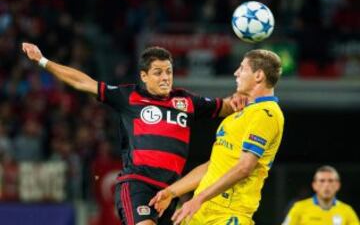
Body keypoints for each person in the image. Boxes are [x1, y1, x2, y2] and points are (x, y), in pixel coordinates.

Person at [21, 42, 246, 225]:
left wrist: (237, 99)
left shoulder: (185, 100)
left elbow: (224, 107)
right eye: (157, 73)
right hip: (138, 183)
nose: (165, 77)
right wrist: (43, 61)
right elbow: (84, 83)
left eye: (168, 72)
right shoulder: (129, 96)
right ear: (144, 76)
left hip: (170, 191)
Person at [150, 49, 284, 225]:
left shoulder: (266, 114)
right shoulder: (240, 113)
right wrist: (172, 191)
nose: (236, 73)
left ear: (258, 75)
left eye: (242, 68)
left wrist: (199, 199)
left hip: (227, 214)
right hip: (201, 211)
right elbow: (212, 166)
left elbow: (245, 167)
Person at [282, 165, 360, 225]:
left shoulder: (347, 211)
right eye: (322, 181)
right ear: (314, 185)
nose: (326, 185)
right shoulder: (299, 208)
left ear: (337, 185)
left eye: (331, 181)